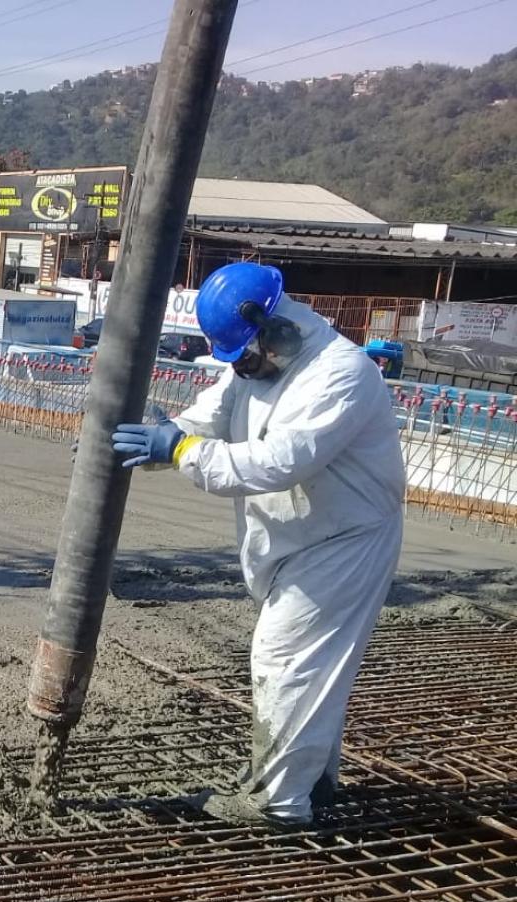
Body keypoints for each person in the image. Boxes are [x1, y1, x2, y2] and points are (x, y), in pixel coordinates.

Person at [110, 262, 405, 829]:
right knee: (312, 667)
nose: (241, 368)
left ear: (272, 328)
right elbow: (215, 412)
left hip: (344, 541)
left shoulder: (338, 374)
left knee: (286, 660)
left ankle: (279, 804)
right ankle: (312, 780)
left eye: (245, 354)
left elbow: (278, 462)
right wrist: (165, 435)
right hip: (299, 537)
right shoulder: (259, 364)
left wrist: (181, 452)